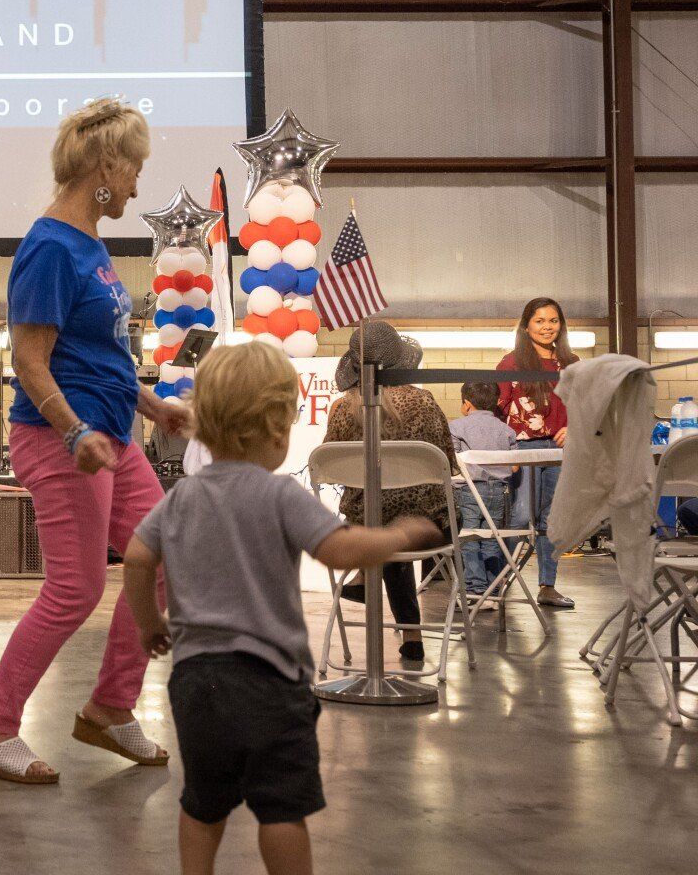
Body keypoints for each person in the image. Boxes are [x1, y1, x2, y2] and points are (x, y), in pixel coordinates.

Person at [123, 342, 441, 875]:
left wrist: (149, 625)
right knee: (281, 810)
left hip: (198, 681)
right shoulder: (279, 495)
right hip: (271, 682)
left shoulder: (179, 498)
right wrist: (396, 536)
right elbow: (340, 551)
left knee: (201, 804)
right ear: (276, 430)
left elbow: (136, 558)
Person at [0, 99, 191, 786]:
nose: (135, 184)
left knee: (166, 557)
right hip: (63, 439)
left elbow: (101, 355)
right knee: (77, 585)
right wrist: (75, 432)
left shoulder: (91, 245)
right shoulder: (50, 248)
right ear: (105, 165)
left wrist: (150, 403)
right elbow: (31, 361)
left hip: (112, 435)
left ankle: (109, 708)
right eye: (134, 169)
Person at [322, 321, 455, 669]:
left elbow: (328, 466)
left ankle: (367, 576)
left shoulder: (342, 410)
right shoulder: (425, 403)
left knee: (381, 521)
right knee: (400, 521)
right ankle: (412, 638)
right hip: (425, 531)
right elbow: (448, 464)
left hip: (364, 530)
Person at [497, 296, 578, 609]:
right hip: (524, 449)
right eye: (540, 321)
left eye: (553, 320)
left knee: (551, 519)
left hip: (559, 452)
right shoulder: (511, 363)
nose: (548, 327)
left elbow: (587, 404)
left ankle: (548, 586)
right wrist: (505, 452)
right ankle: (497, 581)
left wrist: (574, 429)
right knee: (518, 517)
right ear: (527, 325)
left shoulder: (571, 363)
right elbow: (498, 410)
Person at [449, 380, 520, 605]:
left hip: (469, 490)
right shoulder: (506, 430)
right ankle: (492, 589)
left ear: (467, 405)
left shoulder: (457, 427)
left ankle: (475, 590)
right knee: (492, 538)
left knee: (469, 538)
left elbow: (455, 461)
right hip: (498, 491)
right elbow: (515, 465)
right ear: (497, 402)